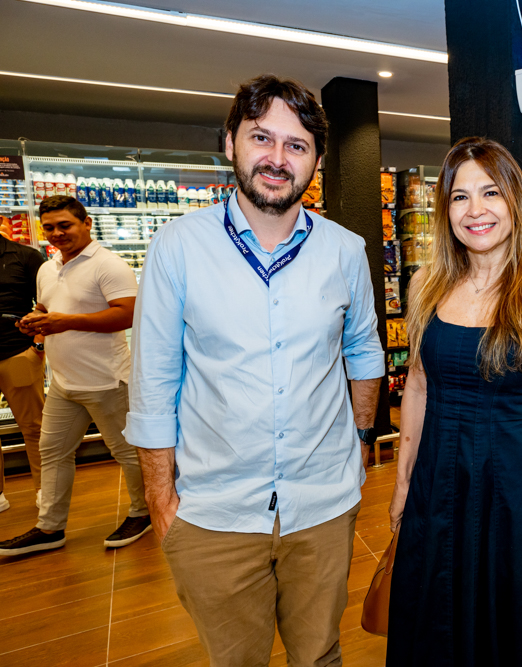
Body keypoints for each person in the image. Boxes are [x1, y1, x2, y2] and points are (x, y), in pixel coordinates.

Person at [124, 74, 384, 667]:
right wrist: (162, 498)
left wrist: (361, 438)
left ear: (316, 160)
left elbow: (364, 351)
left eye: (296, 145)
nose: (277, 158)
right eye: (261, 138)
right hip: (215, 510)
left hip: (322, 504)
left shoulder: (344, 250)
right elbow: (154, 383)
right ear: (230, 143)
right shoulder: (179, 246)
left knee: (319, 654)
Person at [385, 137, 522, 666]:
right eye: (459, 197)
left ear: (514, 202)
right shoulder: (426, 286)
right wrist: (404, 482)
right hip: (435, 482)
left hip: (511, 487)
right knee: (433, 614)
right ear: (445, 209)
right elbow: (419, 386)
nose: (475, 210)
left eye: (490, 193)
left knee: (512, 621)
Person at [0, 195, 149, 556]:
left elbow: (127, 315)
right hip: (63, 383)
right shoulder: (47, 268)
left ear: (86, 224)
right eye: (48, 227)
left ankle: (142, 513)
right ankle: (50, 527)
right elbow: (46, 308)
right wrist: (36, 322)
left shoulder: (109, 265)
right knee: (51, 452)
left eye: (64, 225)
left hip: (106, 381)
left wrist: (64, 322)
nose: (56, 233)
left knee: (127, 453)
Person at [0, 233, 46, 513]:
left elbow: (46, 304)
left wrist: (37, 347)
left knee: (35, 428)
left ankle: (45, 491)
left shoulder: (25, 256)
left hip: (17, 353)